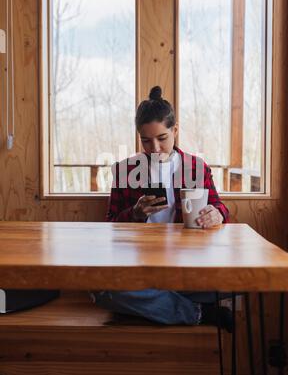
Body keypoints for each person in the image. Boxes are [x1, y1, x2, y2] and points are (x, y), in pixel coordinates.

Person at [90, 86, 232, 331]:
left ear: (175, 130)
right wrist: (134, 214)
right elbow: (110, 224)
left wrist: (218, 213)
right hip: (139, 265)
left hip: (187, 264)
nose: (154, 148)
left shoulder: (196, 167)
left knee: (233, 284)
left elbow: (219, 206)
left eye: (162, 138)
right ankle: (195, 312)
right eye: (146, 140)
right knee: (101, 290)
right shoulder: (126, 170)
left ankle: (154, 303)